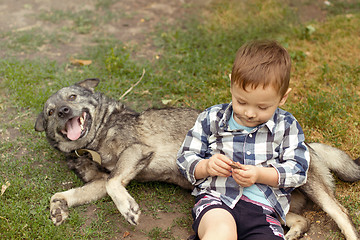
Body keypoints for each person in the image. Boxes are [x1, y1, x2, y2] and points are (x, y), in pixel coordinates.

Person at [177, 40, 310, 240]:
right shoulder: (212, 118)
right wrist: (206, 166)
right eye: (241, 101)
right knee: (220, 232)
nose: (249, 113)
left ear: (283, 97)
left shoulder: (287, 126)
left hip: (264, 211)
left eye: (262, 107)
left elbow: (298, 170)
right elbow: (185, 157)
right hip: (217, 202)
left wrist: (260, 174)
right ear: (231, 83)